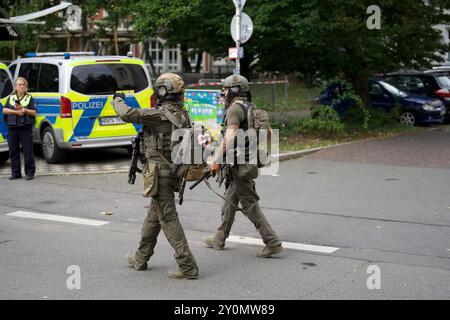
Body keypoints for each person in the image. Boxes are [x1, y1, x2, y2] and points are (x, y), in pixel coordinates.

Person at [111, 73, 199, 280]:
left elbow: (127, 114)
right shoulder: (182, 114)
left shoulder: (160, 115)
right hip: (173, 172)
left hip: (160, 174)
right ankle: (140, 259)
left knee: (168, 219)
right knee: (154, 218)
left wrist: (117, 99)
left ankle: (188, 266)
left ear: (162, 92)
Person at [203, 74, 283, 258]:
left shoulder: (234, 109)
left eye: (225, 90)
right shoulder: (254, 109)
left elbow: (230, 137)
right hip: (249, 162)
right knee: (229, 201)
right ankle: (219, 238)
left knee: (248, 204)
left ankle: (272, 242)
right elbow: (269, 134)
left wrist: (216, 159)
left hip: (237, 165)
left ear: (234, 90)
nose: (223, 93)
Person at [2, 77, 37, 180]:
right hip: (12, 128)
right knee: (13, 151)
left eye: (23, 85)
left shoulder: (29, 98)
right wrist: (16, 112)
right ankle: (16, 173)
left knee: (28, 151)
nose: (21, 86)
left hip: (25, 128)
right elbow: (4, 110)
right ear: (16, 87)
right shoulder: (11, 98)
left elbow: (34, 112)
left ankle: (30, 172)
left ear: (26, 87)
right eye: (19, 85)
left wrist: (24, 110)